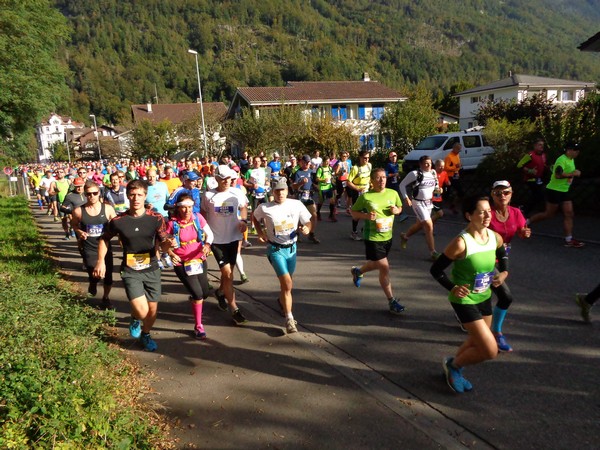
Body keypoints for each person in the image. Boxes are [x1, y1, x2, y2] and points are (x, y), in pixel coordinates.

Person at [430, 196, 507, 393]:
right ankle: (454, 367)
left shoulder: (494, 237)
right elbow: (436, 270)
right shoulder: (461, 243)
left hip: (484, 296)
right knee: (490, 350)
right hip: (464, 300)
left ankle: (453, 365)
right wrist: (452, 287)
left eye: (489, 211)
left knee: (475, 340)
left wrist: (504, 272)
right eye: (481, 212)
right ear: (469, 215)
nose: (487, 215)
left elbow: (502, 252)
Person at [93, 180, 170, 352]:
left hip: (152, 268)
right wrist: (100, 261)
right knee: (142, 312)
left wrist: (168, 246)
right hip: (130, 270)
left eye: (140, 195)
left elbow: (164, 241)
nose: (136, 198)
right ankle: (135, 318)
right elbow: (104, 239)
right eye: (133, 195)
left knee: (152, 310)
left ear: (145, 196)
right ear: (127, 196)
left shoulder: (156, 218)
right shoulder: (119, 220)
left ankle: (146, 334)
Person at [252, 178, 312, 334]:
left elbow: (308, 221)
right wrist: (260, 232)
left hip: (292, 249)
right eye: (277, 191)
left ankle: (281, 301)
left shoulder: (296, 204)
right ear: (273, 192)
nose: (280, 193)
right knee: (287, 283)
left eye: (283, 190)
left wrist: (307, 228)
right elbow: (255, 217)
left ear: (287, 191)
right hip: (275, 249)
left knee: (287, 284)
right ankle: (289, 319)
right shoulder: (265, 207)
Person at [350, 169, 405, 315]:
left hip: (387, 237)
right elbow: (353, 213)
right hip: (372, 238)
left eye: (384, 177)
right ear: (372, 181)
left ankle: (358, 271)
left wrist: (397, 211)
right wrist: (366, 216)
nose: (382, 180)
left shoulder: (392, 193)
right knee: (384, 267)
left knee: (377, 263)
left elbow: (400, 207)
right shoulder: (366, 197)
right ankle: (391, 301)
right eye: (378, 178)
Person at [201, 165, 249, 325]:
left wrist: (243, 221)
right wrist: (204, 235)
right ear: (216, 179)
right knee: (227, 274)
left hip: (234, 238)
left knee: (228, 275)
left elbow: (243, 208)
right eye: (223, 178)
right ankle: (234, 309)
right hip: (217, 240)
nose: (227, 181)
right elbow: (202, 215)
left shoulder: (237, 193)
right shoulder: (208, 196)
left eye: (229, 178)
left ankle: (221, 292)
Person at [488, 180, 531, 351]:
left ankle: (468, 312)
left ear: (511, 194)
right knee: (505, 296)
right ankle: (496, 333)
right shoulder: (487, 213)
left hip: (502, 258)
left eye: (506, 192)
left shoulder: (515, 212)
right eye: (498, 193)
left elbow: (521, 231)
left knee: (482, 291)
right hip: (485, 259)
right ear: (492, 195)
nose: (502, 196)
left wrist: (524, 233)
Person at [165, 194, 214, 339]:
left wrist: (207, 245)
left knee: (204, 293)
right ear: (178, 208)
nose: (187, 210)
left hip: (199, 260)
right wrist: (170, 252)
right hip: (182, 263)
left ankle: (195, 298)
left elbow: (210, 234)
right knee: (198, 294)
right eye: (184, 207)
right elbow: (162, 244)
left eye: (190, 207)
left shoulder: (198, 218)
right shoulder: (172, 223)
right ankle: (198, 327)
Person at [528, 142, 584, 247]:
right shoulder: (561, 160)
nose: (577, 152)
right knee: (548, 214)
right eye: (575, 150)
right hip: (554, 190)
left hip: (565, 191)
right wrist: (573, 173)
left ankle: (569, 239)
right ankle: (527, 222)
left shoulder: (571, 159)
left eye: (578, 150)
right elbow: (558, 175)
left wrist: (573, 174)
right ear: (569, 150)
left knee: (569, 213)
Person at [72, 180, 117, 309]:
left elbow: (116, 225)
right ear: (85, 195)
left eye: (94, 193)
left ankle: (106, 298)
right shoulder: (79, 211)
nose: (92, 196)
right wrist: (79, 231)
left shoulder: (107, 208)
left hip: (105, 246)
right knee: (94, 270)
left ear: (99, 193)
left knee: (107, 274)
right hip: (88, 246)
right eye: (88, 194)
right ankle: (93, 282)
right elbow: (74, 225)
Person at [399, 156, 441, 260]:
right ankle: (433, 252)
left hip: (428, 203)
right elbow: (402, 185)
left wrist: (439, 191)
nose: (429, 165)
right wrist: (406, 198)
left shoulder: (433, 173)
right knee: (428, 225)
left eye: (430, 163)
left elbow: (436, 187)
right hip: (418, 202)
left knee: (420, 224)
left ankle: (405, 236)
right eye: (426, 163)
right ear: (420, 164)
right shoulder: (415, 174)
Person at [292, 155, 320, 243]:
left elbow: (314, 183)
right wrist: (301, 183)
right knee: (298, 216)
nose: (307, 164)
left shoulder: (311, 172)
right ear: (301, 162)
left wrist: (316, 187)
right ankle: (296, 234)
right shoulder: (298, 173)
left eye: (308, 162)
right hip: (300, 196)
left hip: (309, 196)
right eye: (305, 162)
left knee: (314, 215)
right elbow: (294, 186)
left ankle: (311, 234)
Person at [517, 139, 548, 215]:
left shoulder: (543, 155)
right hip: (530, 179)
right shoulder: (530, 155)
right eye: (539, 145)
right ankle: (525, 210)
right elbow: (519, 165)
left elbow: (544, 165)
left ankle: (525, 209)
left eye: (542, 145)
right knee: (537, 194)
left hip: (539, 179)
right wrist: (529, 170)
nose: (541, 147)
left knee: (539, 195)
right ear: (535, 146)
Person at [347, 150, 372, 240]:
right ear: (360, 158)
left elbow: (369, 177)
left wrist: (371, 184)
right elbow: (348, 182)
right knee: (357, 214)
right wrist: (357, 188)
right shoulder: (355, 168)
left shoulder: (369, 165)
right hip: (357, 192)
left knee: (370, 211)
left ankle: (365, 228)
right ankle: (354, 232)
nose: (367, 160)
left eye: (368, 158)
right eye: (365, 158)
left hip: (367, 192)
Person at [315, 155, 336, 222]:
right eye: (326, 161)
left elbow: (333, 175)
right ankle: (318, 213)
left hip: (329, 187)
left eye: (328, 161)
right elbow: (317, 179)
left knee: (332, 201)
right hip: (322, 188)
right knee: (321, 201)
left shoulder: (330, 168)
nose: (327, 163)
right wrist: (323, 180)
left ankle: (331, 215)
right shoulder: (320, 169)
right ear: (323, 162)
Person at [444, 142, 463, 213]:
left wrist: (459, 166)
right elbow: (445, 168)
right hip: (449, 177)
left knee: (460, 192)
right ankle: (441, 208)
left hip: (456, 175)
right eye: (458, 149)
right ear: (454, 148)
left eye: (460, 149)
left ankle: (453, 205)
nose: (459, 151)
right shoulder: (449, 157)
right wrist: (455, 166)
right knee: (446, 193)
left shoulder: (457, 155)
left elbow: (457, 165)